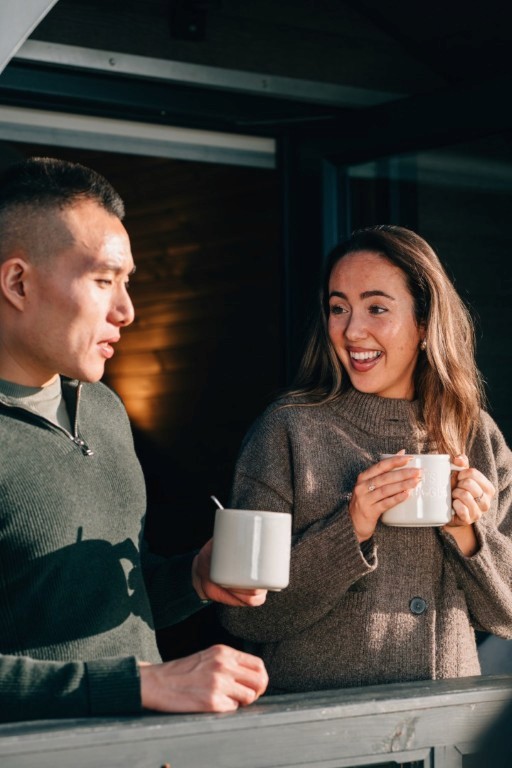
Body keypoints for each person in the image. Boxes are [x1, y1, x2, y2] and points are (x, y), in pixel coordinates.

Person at [0, 157, 268, 723]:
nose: (127, 311)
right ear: (17, 282)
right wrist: (137, 684)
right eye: (103, 281)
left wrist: (193, 579)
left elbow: (106, 601)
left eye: (127, 283)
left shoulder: (104, 408)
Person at [219, 224, 512, 693]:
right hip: (323, 733)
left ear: (424, 323)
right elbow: (244, 616)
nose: (352, 330)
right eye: (339, 308)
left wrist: (468, 534)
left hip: (443, 733)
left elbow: (509, 615)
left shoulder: (477, 435)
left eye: (377, 308)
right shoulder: (288, 430)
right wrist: (349, 528)